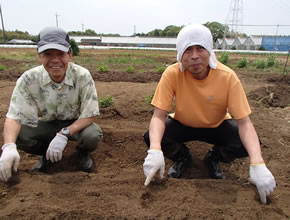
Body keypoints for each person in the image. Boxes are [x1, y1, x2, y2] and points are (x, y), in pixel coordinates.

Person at [143, 24, 276, 204]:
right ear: (180, 54)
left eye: (200, 48)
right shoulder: (172, 74)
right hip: (183, 123)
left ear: (210, 50)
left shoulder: (227, 77)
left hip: (217, 125)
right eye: (188, 50)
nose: (195, 55)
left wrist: (258, 163)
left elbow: (245, 123)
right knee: (152, 137)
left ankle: (214, 157)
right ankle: (182, 157)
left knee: (247, 145)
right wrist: (155, 150)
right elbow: (158, 116)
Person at [0, 27, 103, 182]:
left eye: (60, 54)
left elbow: (91, 114)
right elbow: (14, 117)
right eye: (48, 54)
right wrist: (9, 147)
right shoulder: (29, 79)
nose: (55, 60)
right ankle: (46, 153)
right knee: (17, 135)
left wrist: (63, 134)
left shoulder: (82, 76)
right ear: (39, 57)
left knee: (92, 135)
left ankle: (81, 154)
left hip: (75, 123)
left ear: (70, 55)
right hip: (47, 123)